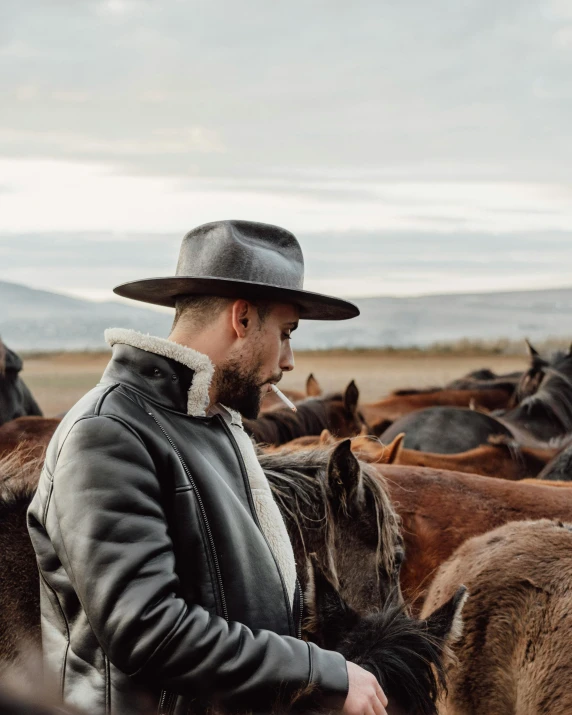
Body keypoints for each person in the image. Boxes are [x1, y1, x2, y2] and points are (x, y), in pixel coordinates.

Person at [27, 221, 388, 715]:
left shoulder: (212, 423)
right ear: (241, 318)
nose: (288, 360)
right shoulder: (107, 434)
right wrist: (314, 670)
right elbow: (148, 630)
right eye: (284, 333)